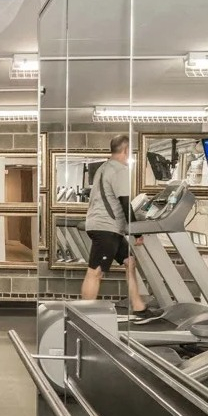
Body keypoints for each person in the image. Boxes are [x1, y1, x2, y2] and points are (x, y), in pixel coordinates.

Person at [82, 134, 160, 323]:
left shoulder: (104, 167)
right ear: (126, 150)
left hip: (108, 226)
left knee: (129, 261)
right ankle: (83, 316)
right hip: (106, 227)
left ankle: (139, 307)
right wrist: (137, 232)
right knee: (96, 271)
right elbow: (125, 202)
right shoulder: (120, 170)